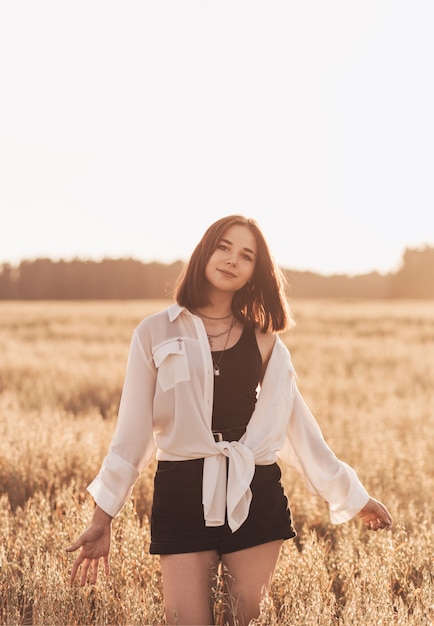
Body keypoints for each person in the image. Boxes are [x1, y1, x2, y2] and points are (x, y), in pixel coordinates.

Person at [66, 215, 393, 625]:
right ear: (205, 251)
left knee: (248, 619)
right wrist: (102, 519)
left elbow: (300, 429)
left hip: (254, 492)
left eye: (246, 255)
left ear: (256, 272)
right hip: (182, 492)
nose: (232, 259)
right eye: (223, 246)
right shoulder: (154, 332)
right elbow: (131, 436)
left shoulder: (265, 339)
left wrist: (355, 496)